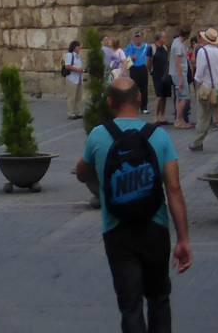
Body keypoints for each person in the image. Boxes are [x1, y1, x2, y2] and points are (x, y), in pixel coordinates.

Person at [76, 78, 193, 333]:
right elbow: (173, 188)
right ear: (139, 98)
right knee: (159, 299)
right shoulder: (159, 137)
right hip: (155, 228)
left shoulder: (98, 135)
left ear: (109, 102)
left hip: (117, 231)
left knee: (130, 306)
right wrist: (183, 238)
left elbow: (81, 173)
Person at [188, 28, 218, 153]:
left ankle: (198, 142)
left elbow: (199, 73)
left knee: (203, 116)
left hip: (207, 88)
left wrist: (197, 87)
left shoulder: (203, 51)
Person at [168, 29, 192, 130]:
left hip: (176, 74)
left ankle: (180, 119)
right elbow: (178, 63)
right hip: (179, 75)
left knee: (179, 97)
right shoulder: (179, 46)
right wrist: (181, 79)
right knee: (184, 97)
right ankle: (179, 120)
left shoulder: (176, 42)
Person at [151, 33, 172, 126]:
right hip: (157, 74)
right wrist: (150, 71)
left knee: (164, 96)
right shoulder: (152, 48)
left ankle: (162, 116)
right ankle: (155, 117)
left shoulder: (165, 48)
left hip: (165, 74)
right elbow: (149, 60)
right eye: (164, 37)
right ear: (159, 38)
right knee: (159, 95)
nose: (166, 38)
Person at [62, 40, 87, 119]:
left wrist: (82, 70)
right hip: (72, 79)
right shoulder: (69, 55)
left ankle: (78, 112)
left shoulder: (78, 56)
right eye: (79, 46)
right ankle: (71, 113)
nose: (80, 48)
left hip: (78, 78)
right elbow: (67, 66)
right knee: (71, 97)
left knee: (78, 96)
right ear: (75, 47)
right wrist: (77, 70)